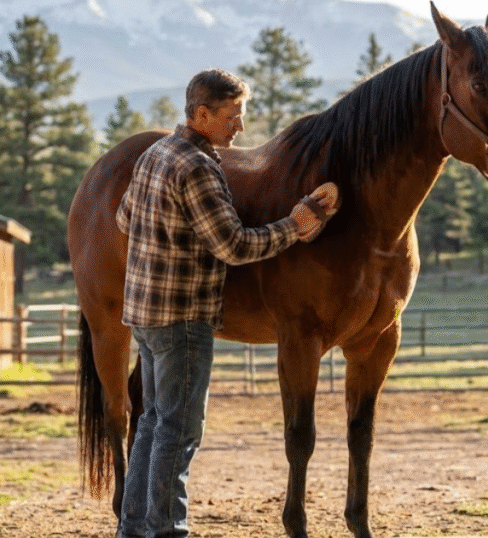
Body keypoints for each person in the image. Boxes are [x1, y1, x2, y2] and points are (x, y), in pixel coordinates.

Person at [114, 68, 339, 538]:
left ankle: (134, 529)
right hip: (183, 319)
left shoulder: (156, 153)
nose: (240, 127)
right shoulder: (197, 166)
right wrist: (296, 225)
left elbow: (123, 218)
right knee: (178, 433)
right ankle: (169, 531)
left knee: (153, 424)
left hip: (144, 315)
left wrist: (166, 243)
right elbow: (233, 246)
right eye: (233, 116)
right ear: (202, 114)